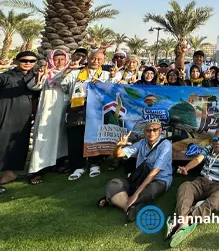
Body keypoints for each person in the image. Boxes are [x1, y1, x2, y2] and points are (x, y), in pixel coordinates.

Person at [167, 129, 219, 247]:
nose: (217, 142)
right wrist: (187, 168)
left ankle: (183, 221)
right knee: (185, 186)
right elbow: (198, 159)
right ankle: (183, 219)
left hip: (218, 185)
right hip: (202, 181)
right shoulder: (209, 148)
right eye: (215, 139)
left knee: (218, 199)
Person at [100, 120, 172, 221]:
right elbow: (118, 155)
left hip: (159, 179)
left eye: (155, 130)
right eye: (148, 130)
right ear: (144, 132)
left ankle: (118, 200)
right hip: (139, 178)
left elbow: (154, 173)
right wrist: (118, 146)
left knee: (150, 191)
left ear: (160, 131)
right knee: (113, 184)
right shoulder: (142, 142)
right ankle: (128, 207)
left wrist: (136, 194)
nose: (151, 133)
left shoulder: (166, 145)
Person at [61, 51, 113, 180]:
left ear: (103, 61)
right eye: (93, 58)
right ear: (88, 59)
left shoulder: (107, 74)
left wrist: (104, 82)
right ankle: (78, 165)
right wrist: (67, 71)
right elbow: (64, 86)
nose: (95, 61)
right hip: (78, 110)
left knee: (96, 136)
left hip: (98, 111)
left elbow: (113, 90)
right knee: (76, 136)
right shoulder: (76, 73)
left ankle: (95, 163)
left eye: (99, 59)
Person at [0, 51, 41, 195]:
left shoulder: (35, 77)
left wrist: (35, 115)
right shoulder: (6, 76)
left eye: (32, 61)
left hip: (24, 117)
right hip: (5, 115)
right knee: (2, 143)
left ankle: (10, 173)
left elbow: (36, 98)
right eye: (25, 60)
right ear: (17, 61)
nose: (28, 63)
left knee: (18, 144)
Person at [28, 49, 71, 183]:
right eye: (56, 59)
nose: (59, 62)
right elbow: (34, 86)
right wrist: (40, 76)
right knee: (42, 137)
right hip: (46, 111)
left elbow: (67, 85)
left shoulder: (71, 73)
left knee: (60, 138)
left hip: (62, 110)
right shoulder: (46, 73)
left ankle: (57, 164)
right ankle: (36, 170)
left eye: (62, 59)